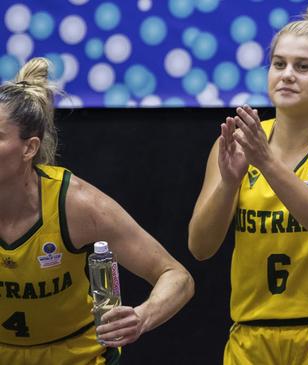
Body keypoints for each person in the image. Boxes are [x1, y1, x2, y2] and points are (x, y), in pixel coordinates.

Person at [188, 1, 308, 364]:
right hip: (252, 337)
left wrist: (266, 162)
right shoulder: (236, 145)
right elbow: (200, 246)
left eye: (303, 67)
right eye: (279, 64)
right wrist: (229, 183)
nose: (287, 74)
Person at [0, 58, 194, 364]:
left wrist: (142, 317)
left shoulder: (76, 204)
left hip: (77, 356)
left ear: (29, 148)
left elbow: (177, 277)